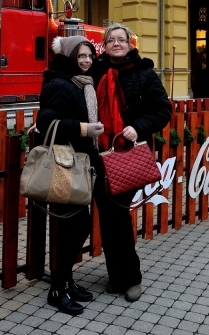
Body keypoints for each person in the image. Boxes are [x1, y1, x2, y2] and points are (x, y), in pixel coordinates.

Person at [94, 23, 172, 303]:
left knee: (118, 216)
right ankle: (116, 276)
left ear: (130, 43)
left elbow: (163, 110)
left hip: (126, 153)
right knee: (107, 217)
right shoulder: (95, 71)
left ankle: (131, 278)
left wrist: (137, 127)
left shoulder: (144, 73)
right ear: (104, 45)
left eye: (121, 40)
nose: (116, 44)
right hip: (98, 154)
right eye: (111, 40)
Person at [36, 36, 105, 315]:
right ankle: (57, 289)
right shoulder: (59, 83)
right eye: (81, 56)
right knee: (74, 227)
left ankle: (67, 281)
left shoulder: (82, 82)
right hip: (65, 164)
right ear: (68, 57)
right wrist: (83, 129)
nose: (87, 61)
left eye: (89, 55)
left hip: (80, 162)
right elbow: (46, 121)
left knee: (76, 226)